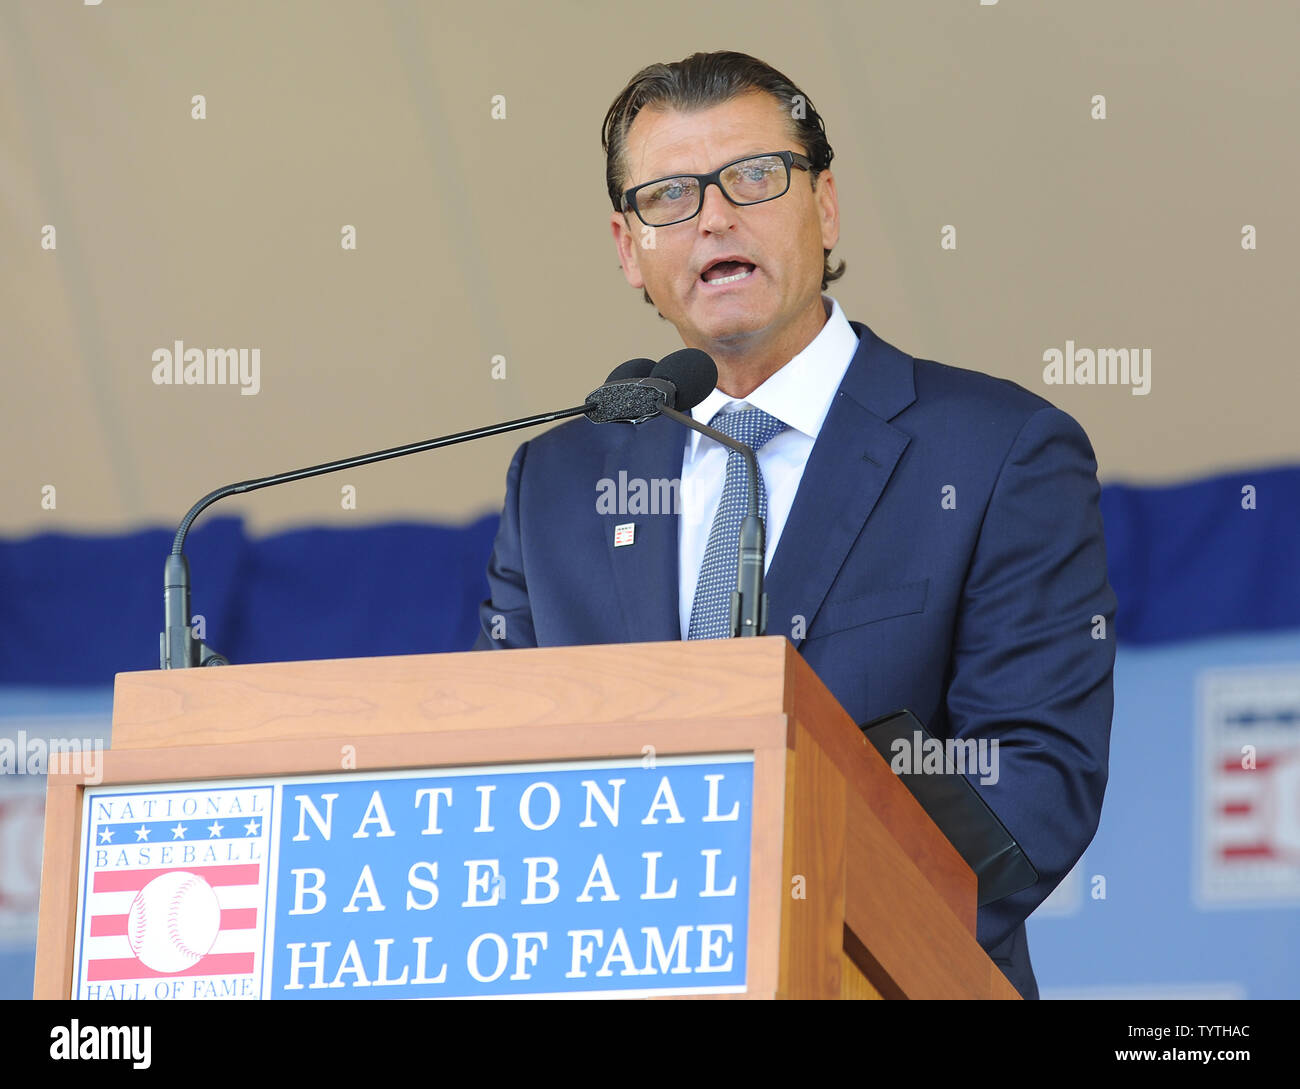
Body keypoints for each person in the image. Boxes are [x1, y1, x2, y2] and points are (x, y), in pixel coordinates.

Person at [474, 50, 1116, 1001]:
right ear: (626, 247)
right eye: (670, 196)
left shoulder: (994, 451)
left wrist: (785, 914)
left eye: (754, 177)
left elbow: (1034, 781)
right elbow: (500, 775)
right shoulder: (559, 482)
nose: (714, 217)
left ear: (825, 206)